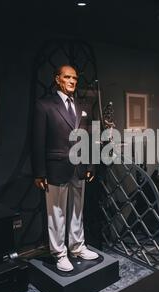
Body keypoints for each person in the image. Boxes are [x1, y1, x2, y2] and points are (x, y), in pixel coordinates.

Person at [32, 65, 98, 272]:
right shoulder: (44, 105)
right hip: (56, 167)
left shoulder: (81, 105)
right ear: (57, 79)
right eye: (67, 77)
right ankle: (60, 253)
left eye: (75, 78)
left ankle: (77, 247)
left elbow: (88, 138)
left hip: (79, 167)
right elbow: (37, 141)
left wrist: (90, 164)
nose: (72, 81)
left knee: (77, 211)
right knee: (56, 213)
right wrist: (39, 172)